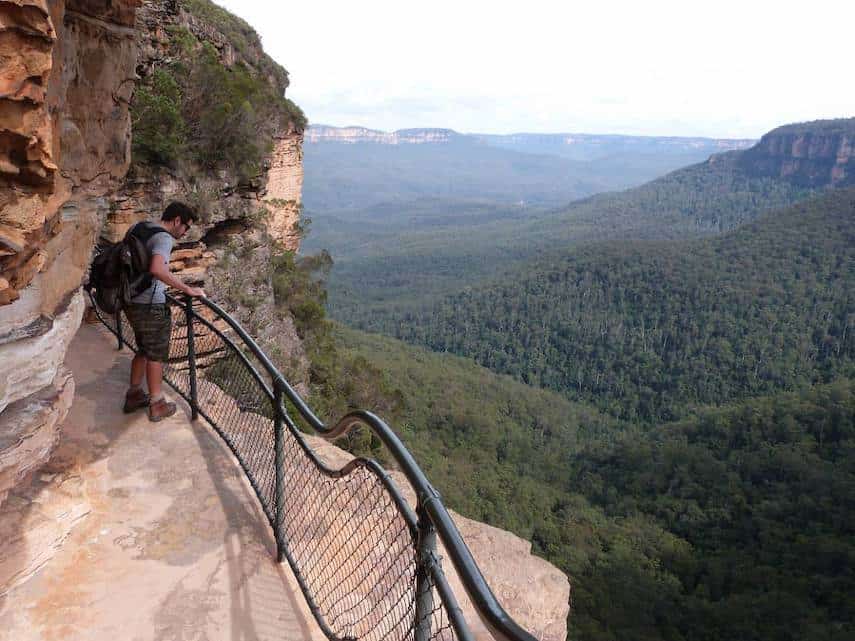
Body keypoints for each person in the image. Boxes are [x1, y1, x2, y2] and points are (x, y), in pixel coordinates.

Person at [123, 202, 205, 421]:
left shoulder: (140, 227)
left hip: (130, 300)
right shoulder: (163, 238)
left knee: (142, 347)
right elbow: (157, 269)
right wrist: (187, 288)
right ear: (177, 220)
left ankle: (134, 394)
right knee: (156, 354)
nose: (186, 232)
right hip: (150, 305)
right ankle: (157, 403)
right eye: (186, 227)